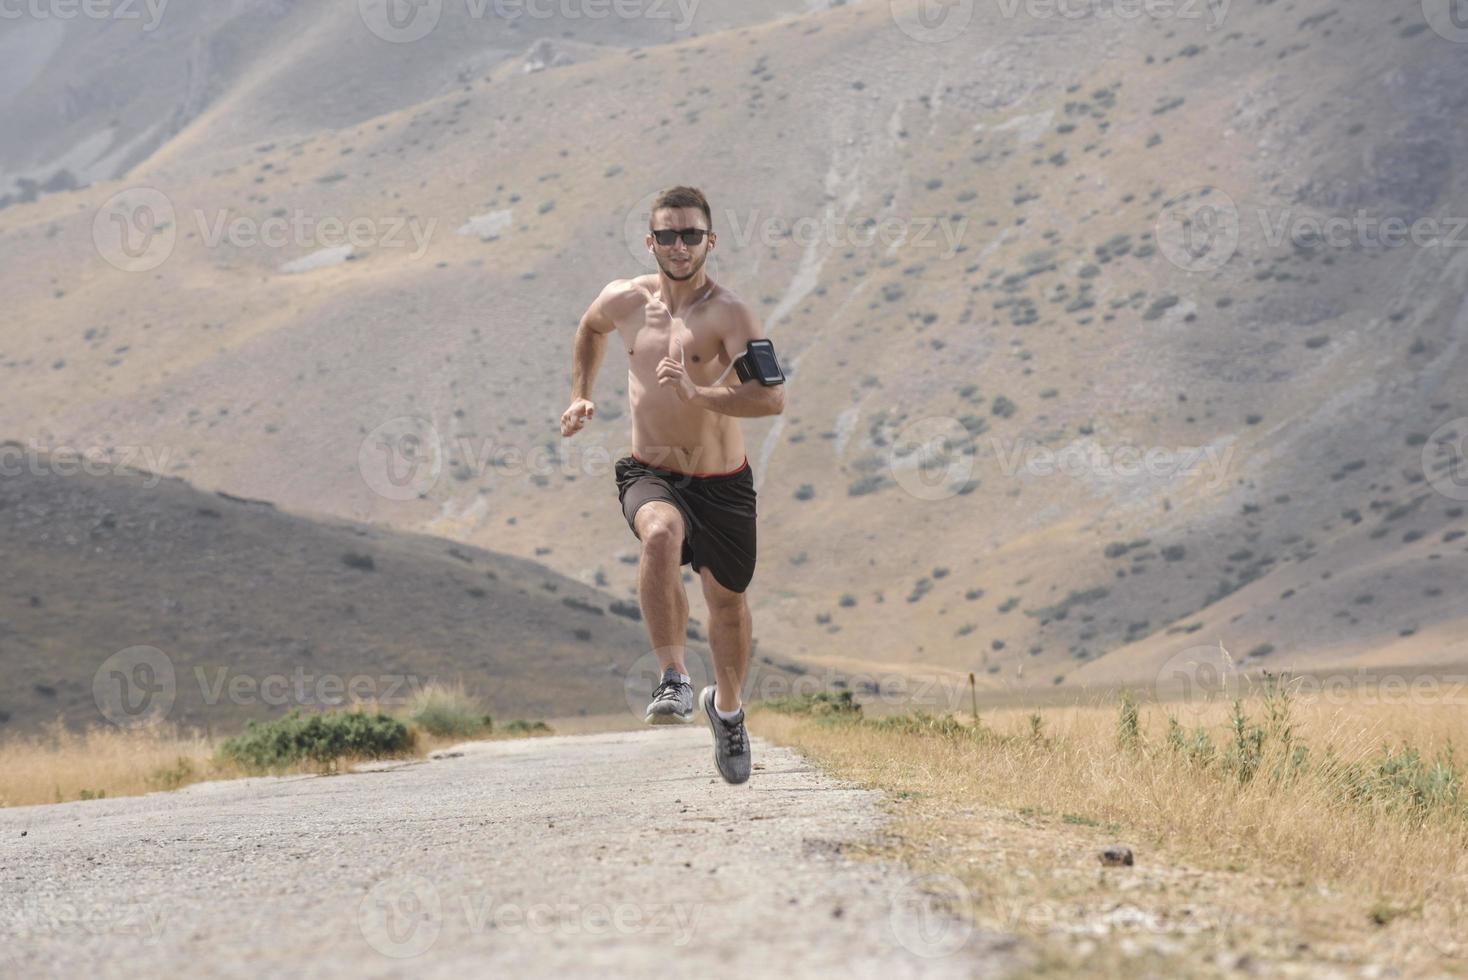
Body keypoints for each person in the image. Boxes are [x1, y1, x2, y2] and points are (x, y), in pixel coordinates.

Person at [559, 186, 786, 784]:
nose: (679, 246)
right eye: (667, 235)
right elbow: (589, 328)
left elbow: (771, 398)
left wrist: (699, 392)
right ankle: (674, 678)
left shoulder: (730, 314)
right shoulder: (625, 299)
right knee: (658, 533)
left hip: (723, 481)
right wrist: (581, 393)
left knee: (727, 605)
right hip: (650, 470)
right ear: (650, 241)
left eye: (690, 235)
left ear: (710, 241)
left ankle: (728, 710)